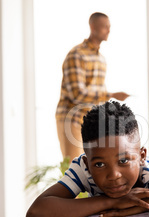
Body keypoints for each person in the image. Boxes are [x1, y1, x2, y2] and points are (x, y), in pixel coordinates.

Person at [55, 12, 130, 163]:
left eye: (109, 27)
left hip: (90, 121)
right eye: (104, 27)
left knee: (93, 167)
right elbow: (77, 95)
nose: (108, 30)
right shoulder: (77, 55)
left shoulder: (101, 59)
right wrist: (111, 94)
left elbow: (96, 94)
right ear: (93, 27)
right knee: (74, 168)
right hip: (73, 119)